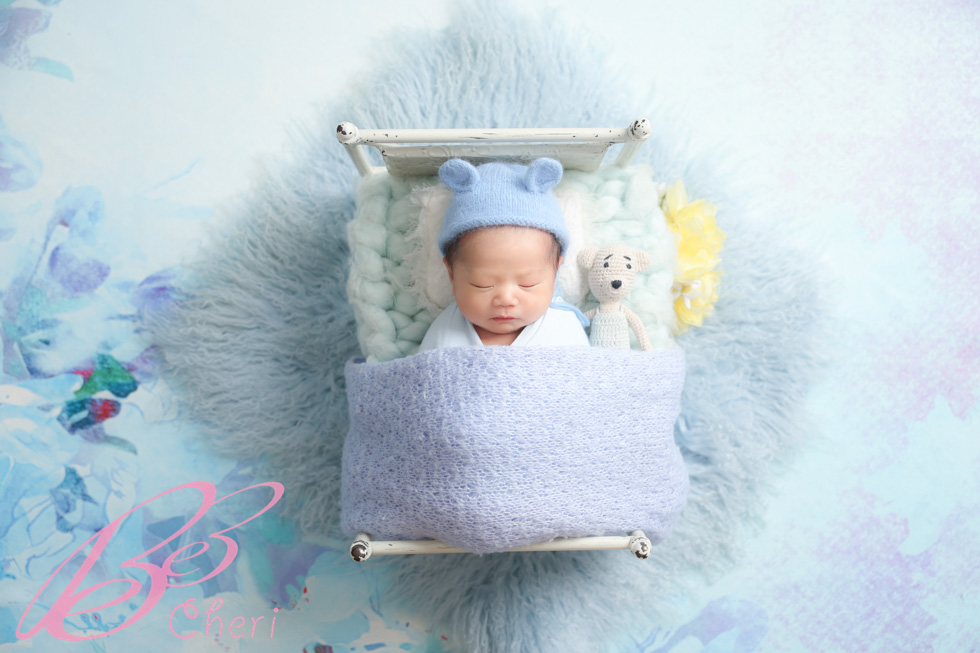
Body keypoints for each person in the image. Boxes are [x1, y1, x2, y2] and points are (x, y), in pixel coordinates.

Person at [418, 158, 589, 351]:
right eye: (482, 284)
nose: (506, 299)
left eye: (528, 283)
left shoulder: (565, 329)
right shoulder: (444, 334)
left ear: (555, 272)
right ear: (452, 275)